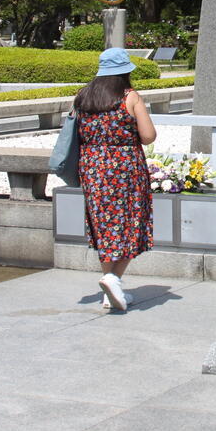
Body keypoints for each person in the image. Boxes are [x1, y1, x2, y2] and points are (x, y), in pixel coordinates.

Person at [74, 48, 157, 311]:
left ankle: (110, 288)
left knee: (104, 226)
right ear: (125, 72)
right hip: (125, 168)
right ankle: (113, 279)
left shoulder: (83, 97)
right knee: (131, 223)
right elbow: (148, 135)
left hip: (92, 167)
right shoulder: (129, 97)